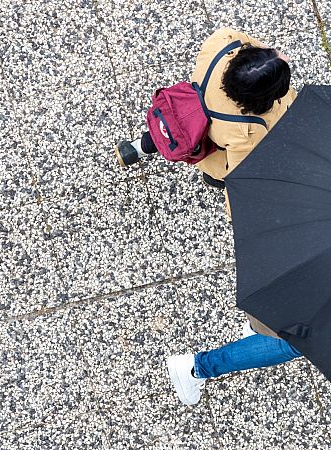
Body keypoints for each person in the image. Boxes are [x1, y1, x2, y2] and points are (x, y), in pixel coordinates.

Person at [115, 28, 303, 406]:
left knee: (178, 127)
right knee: (205, 159)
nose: (282, 54)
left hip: (189, 110)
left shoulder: (224, 44)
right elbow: (241, 183)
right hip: (215, 149)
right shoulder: (248, 130)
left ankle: (139, 146)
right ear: (261, 101)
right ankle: (198, 367)